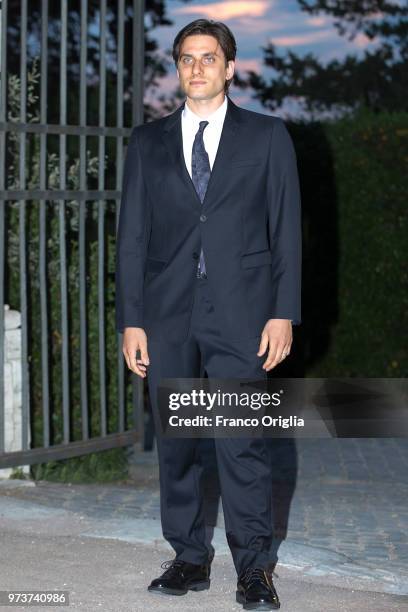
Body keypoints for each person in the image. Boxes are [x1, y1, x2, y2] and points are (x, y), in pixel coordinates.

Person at [115, 18, 301, 611]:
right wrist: (132, 319)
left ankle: (254, 568)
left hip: (242, 313)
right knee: (178, 445)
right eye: (186, 58)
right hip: (167, 314)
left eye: (208, 57)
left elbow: (286, 232)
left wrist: (283, 313)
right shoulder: (147, 143)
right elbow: (132, 237)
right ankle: (189, 558)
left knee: (240, 441)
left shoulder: (267, 138)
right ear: (178, 68)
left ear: (227, 66)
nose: (196, 68)